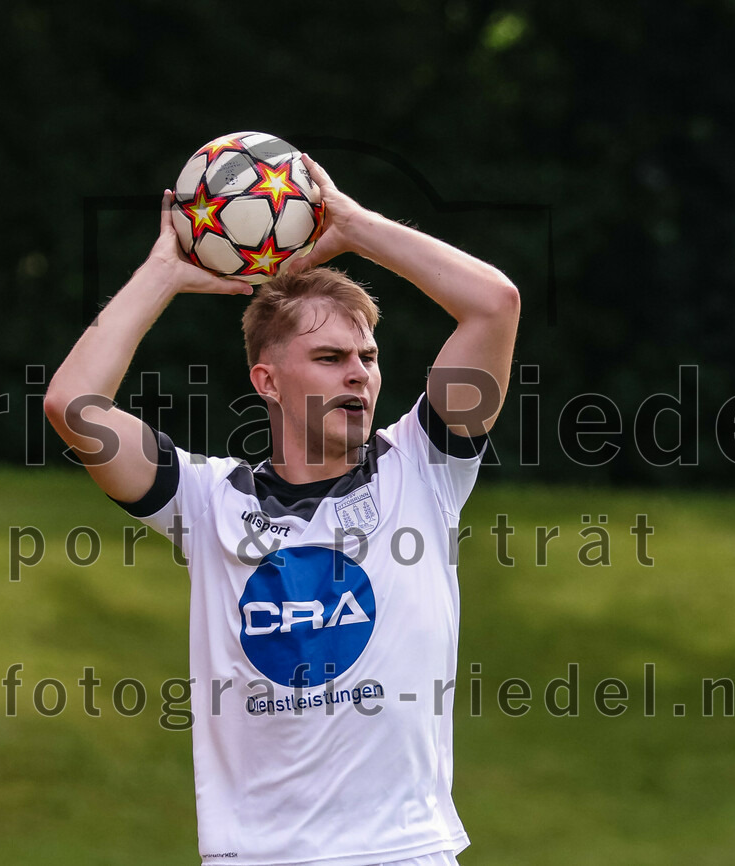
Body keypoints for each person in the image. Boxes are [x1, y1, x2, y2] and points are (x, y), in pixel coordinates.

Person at [44, 155, 520, 866]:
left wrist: (356, 228)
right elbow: (71, 405)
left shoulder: (424, 466)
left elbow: (495, 303)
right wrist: (165, 271)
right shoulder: (206, 502)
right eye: (330, 356)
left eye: (368, 354)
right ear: (267, 379)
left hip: (404, 852)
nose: (359, 371)